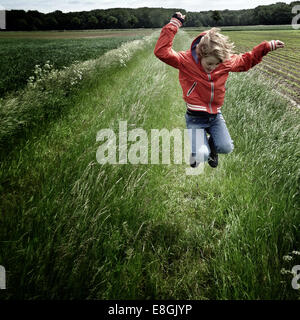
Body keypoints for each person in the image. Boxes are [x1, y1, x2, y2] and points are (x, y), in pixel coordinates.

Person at [154, 12, 285, 168]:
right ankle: (197, 151)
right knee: (202, 154)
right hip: (195, 118)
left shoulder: (223, 62)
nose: (213, 68)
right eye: (210, 64)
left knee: (226, 147)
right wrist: (174, 24)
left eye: (217, 64)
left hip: (215, 116)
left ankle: (212, 148)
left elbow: (245, 61)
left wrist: (266, 47)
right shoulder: (185, 61)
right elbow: (162, 52)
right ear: (200, 54)